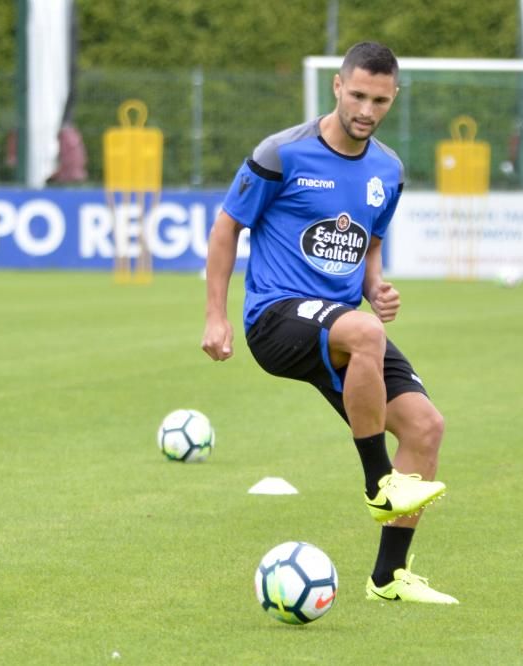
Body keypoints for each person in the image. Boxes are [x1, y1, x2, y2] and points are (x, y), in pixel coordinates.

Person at [200, 42, 457, 605]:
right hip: (276, 318)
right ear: (338, 87)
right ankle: (377, 483)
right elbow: (226, 228)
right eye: (359, 95)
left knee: (425, 428)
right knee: (366, 332)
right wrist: (215, 316)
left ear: (393, 99)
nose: (367, 109)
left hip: (340, 328)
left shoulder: (388, 169)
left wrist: (376, 288)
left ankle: (389, 578)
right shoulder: (281, 153)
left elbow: (369, 243)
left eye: (380, 100)